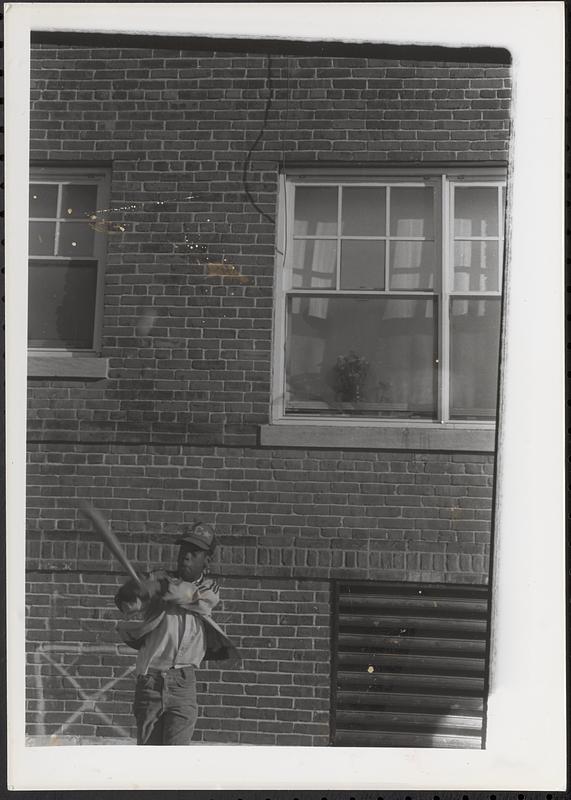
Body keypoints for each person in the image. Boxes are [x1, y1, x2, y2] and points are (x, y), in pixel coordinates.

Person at [114, 522, 238, 746]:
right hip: (150, 681)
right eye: (183, 550)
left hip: (182, 684)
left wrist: (160, 589)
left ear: (207, 560)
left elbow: (193, 598)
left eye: (195, 552)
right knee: (149, 759)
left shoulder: (209, 587)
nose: (186, 557)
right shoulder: (157, 578)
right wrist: (131, 592)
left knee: (177, 760)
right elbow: (127, 606)